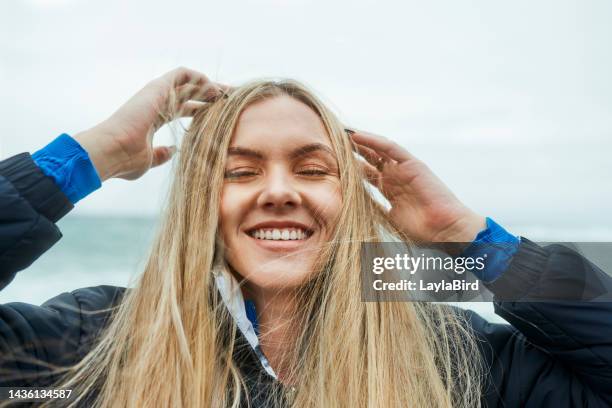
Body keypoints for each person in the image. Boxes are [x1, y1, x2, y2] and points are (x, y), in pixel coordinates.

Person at [0, 67, 611, 407]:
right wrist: (86, 159)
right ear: (199, 206)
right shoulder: (90, 345)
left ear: (353, 198)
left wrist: (472, 240)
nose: (278, 190)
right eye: (239, 171)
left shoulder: (460, 357)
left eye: (313, 170)